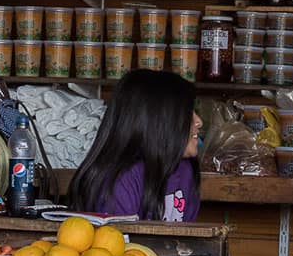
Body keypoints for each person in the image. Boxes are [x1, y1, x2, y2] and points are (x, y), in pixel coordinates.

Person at [69, 69, 202, 222]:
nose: (199, 122)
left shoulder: (185, 169)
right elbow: (115, 243)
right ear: (156, 123)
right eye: (187, 114)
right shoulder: (121, 181)